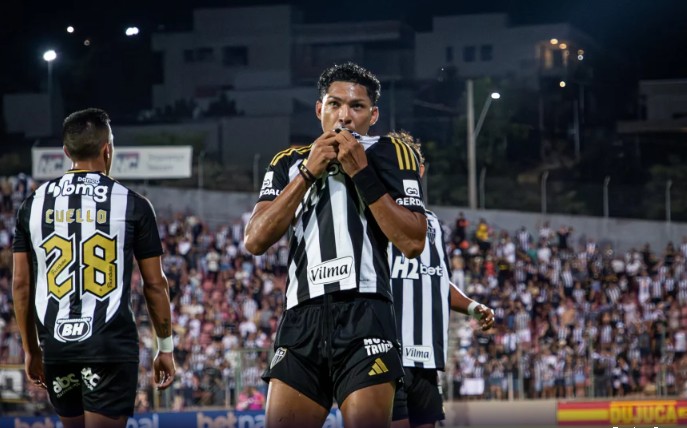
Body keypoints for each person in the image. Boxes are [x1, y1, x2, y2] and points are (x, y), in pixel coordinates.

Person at [244, 62, 427, 428]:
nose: (345, 115)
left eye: (357, 107)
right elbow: (255, 239)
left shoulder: (392, 152)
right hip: (301, 319)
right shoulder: (288, 161)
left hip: (365, 315)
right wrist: (308, 173)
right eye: (334, 104)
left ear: (373, 115)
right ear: (319, 109)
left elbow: (412, 240)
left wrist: (361, 172)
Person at [12, 108, 175, 428]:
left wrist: (31, 350)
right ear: (108, 148)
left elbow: (20, 284)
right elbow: (155, 285)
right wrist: (165, 348)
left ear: (65, 153)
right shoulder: (133, 203)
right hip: (109, 345)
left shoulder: (33, 203)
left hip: (56, 345)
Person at [387, 131, 494, 428]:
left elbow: (437, 280)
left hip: (426, 360)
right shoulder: (370, 215)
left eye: (408, 163)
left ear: (420, 170)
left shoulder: (432, 223)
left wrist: (473, 307)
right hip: (387, 356)